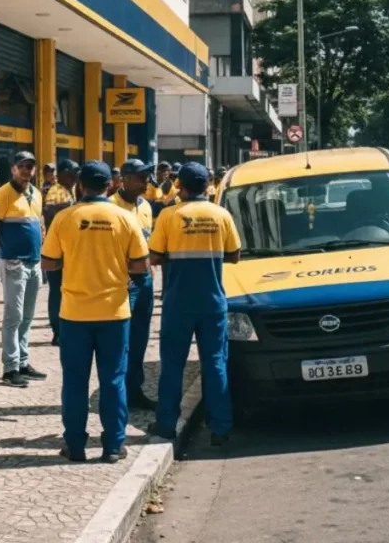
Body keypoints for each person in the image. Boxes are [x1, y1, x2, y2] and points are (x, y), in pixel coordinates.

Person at [42, 161, 149, 463]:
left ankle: (75, 446)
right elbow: (141, 265)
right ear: (110, 185)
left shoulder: (64, 218)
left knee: (75, 381)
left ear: (80, 185)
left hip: (74, 313)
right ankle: (113, 446)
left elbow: (49, 263)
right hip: (114, 313)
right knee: (113, 379)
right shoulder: (124, 218)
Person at [148, 163, 241, 446]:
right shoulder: (221, 214)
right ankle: (220, 429)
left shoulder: (168, 216)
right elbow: (234, 255)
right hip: (212, 301)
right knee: (215, 363)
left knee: (173, 365)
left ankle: (166, 425)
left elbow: (154, 257)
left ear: (180, 186)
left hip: (178, 302)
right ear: (206, 185)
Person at [0, 151, 48, 387]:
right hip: (13, 262)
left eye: (30, 166)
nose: (26, 171)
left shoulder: (36, 193)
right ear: (13, 168)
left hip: (33, 262)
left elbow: (39, 222)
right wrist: (4, 251)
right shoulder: (3, 194)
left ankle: (23, 361)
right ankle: (10, 368)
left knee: (28, 316)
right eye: (22, 166)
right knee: (13, 316)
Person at [109, 159, 157, 410]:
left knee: (139, 338)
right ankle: (119, 392)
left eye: (147, 176)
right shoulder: (110, 207)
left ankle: (135, 389)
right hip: (122, 282)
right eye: (141, 177)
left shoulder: (146, 206)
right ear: (124, 179)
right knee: (121, 340)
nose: (146, 182)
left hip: (145, 281)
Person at [43, 159, 79, 346]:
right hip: (57, 249)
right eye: (73, 172)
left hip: (67, 248)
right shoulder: (57, 191)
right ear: (64, 173)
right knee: (56, 290)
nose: (76, 176)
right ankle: (57, 331)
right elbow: (49, 212)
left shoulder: (68, 189)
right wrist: (70, 209)